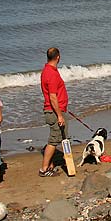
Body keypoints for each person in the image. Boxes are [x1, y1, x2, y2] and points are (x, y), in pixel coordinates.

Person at [39, 47, 69, 177]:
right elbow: (52, 96)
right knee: (54, 140)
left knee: (59, 137)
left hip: (55, 109)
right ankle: (44, 169)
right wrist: (60, 115)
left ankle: (50, 165)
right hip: (54, 112)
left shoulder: (48, 70)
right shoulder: (51, 73)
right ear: (58, 57)